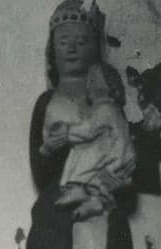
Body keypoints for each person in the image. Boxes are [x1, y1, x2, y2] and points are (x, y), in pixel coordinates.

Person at [10, 0, 143, 249]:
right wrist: (57, 148)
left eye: (82, 41)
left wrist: (108, 182)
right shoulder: (47, 102)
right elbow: (40, 170)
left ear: (95, 50)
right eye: (63, 40)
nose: (72, 48)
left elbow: (124, 155)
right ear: (51, 49)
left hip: (104, 203)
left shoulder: (108, 104)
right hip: (60, 204)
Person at [41, 62, 136, 220]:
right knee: (100, 181)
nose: (88, 85)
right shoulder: (113, 110)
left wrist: (67, 131)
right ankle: (96, 201)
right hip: (122, 159)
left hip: (116, 158)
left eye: (93, 80)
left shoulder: (105, 108)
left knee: (80, 149)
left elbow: (88, 131)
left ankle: (78, 188)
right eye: (88, 81)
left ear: (109, 85)